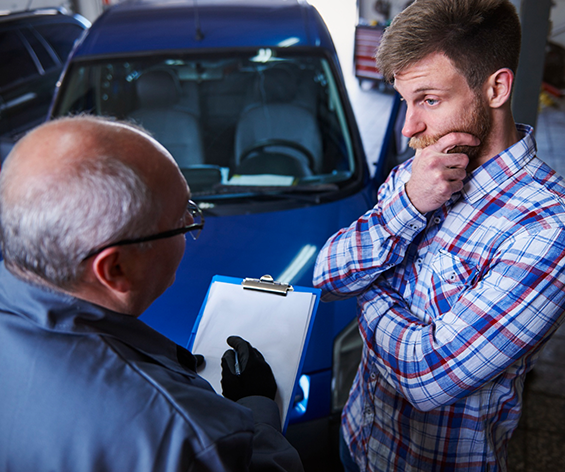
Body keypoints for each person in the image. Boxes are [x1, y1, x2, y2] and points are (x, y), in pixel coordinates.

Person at [313, 0, 565, 471]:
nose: (409, 128)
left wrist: (367, 290)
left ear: (496, 88)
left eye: (428, 100)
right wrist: (408, 205)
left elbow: (425, 377)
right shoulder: (418, 173)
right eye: (405, 101)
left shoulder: (547, 229)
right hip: (359, 436)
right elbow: (326, 276)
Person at [0, 115, 303, 472]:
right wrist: (256, 407)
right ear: (115, 269)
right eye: (180, 221)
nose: (190, 225)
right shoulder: (185, 437)